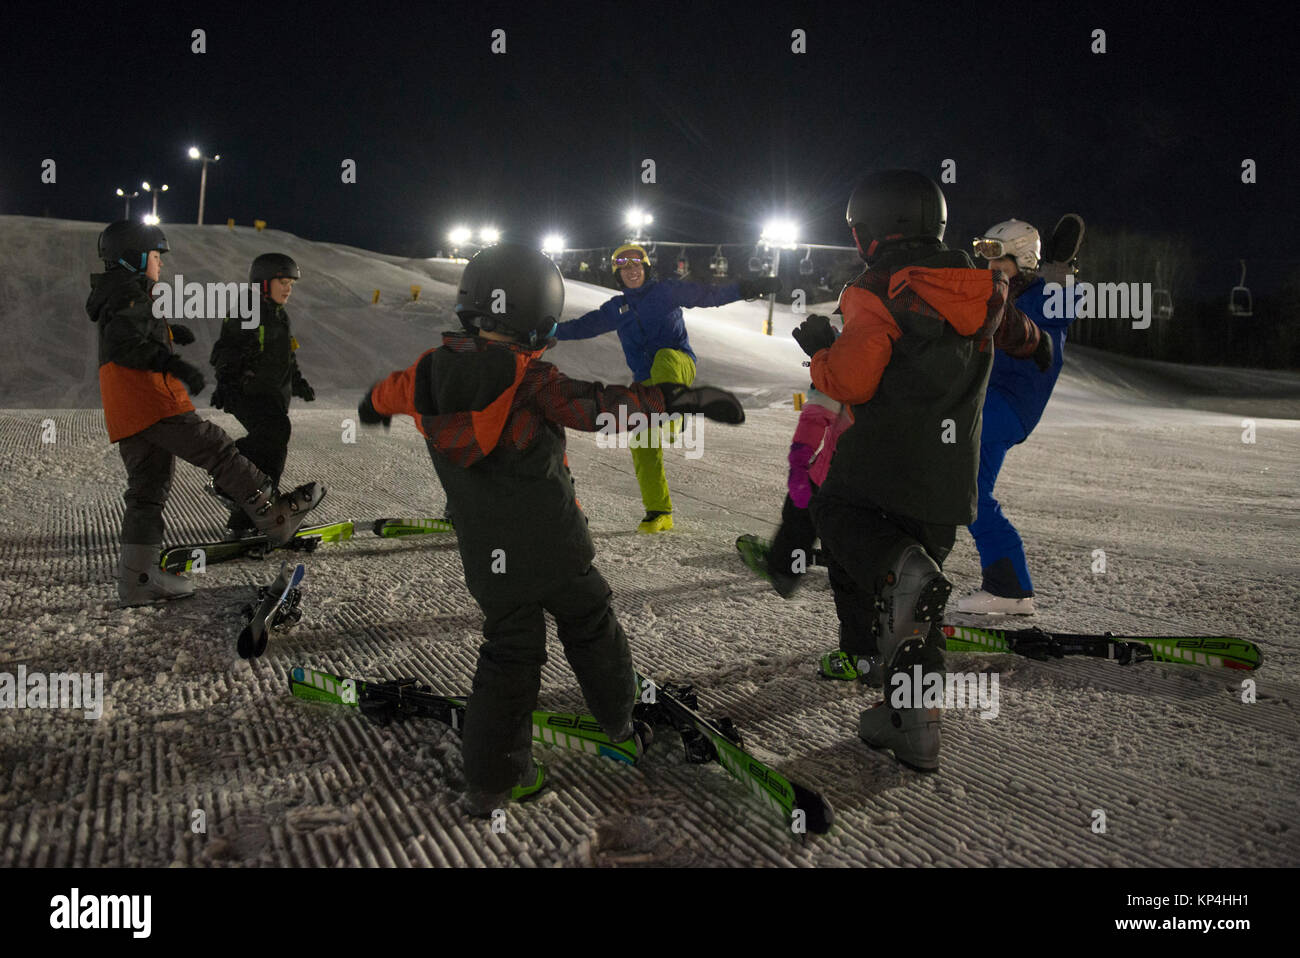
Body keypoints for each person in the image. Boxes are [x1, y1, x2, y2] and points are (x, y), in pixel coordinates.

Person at [356, 242, 746, 816]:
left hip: (489, 558)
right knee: (590, 624)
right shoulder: (530, 380)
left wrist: (371, 403)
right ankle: (619, 722)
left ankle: (494, 779)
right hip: (557, 548)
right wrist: (680, 398)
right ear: (537, 316)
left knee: (509, 655)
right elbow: (605, 407)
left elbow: (387, 391)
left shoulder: (425, 374)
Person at [792, 171, 1045, 770]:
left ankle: (893, 575)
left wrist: (820, 349)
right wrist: (1039, 344)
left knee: (834, 511)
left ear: (869, 233)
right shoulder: (983, 287)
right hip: (945, 479)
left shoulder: (874, 290)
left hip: (878, 464)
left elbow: (851, 380)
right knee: (919, 606)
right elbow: (1018, 332)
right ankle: (913, 727)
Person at [87, 222, 326, 607]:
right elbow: (125, 344)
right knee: (216, 448)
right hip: (151, 399)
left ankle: (138, 579)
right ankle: (273, 517)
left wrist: (165, 332)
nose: (160, 264)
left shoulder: (121, 294)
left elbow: (129, 332)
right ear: (132, 259)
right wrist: (173, 363)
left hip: (126, 408)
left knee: (148, 491)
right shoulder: (129, 294)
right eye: (154, 256)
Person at [553, 243, 778, 533]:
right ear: (617, 275)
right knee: (641, 439)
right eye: (625, 268)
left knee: (664, 358)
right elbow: (582, 327)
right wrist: (546, 332)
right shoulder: (616, 308)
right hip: (648, 382)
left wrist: (748, 288)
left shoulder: (666, 291)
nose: (632, 271)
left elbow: (709, 295)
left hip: (678, 363)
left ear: (646, 269)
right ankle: (659, 511)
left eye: (636, 266)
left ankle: (674, 415)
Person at [954, 218, 1084, 615]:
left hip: (1009, 406)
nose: (989, 265)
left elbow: (1064, 307)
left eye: (997, 257)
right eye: (984, 255)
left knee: (934, 449)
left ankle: (1007, 587)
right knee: (970, 493)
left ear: (1022, 259)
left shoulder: (1046, 297)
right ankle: (1009, 588)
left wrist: (1060, 268)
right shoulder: (997, 291)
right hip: (988, 400)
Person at [209, 253, 315, 538]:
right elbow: (227, 348)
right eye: (283, 281)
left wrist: (298, 381)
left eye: (291, 283)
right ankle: (228, 478)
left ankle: (251, 516)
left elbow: (287, 356)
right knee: (274, 434)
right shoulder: (249, 309)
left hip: (273, 394)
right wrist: (228, 380)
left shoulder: (279, 315)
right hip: (249, 391)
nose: (288, 288)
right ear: (264, 282)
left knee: (273, 450)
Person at [736, 381, 853, 598]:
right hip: (884, 476)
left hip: (838, 469)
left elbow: (818, 413)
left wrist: (799, 460)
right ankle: (839, 559)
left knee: (801, 511)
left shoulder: (849, 358)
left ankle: (784, 570)